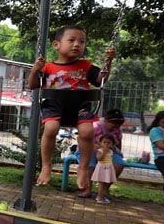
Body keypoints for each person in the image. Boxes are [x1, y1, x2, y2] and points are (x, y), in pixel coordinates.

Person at [28, 25, 116, 192]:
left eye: (81, 42)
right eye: (72, 40)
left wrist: (108, 61)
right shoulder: (47, 67)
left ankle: (83, 168)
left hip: (80, 105)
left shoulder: (86, 66)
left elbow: (100, 80)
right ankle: (46, 166)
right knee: (51, 128)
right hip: (54, 104)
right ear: (56, 45)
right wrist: (35, 70)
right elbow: (32, 85)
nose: (77, 44)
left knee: (87, 132)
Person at [74, 108, 126, 198]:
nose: (115, 128)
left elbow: (118, 145)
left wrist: (116, 152)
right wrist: (98, 148)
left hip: (107, 152)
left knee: (119, 164)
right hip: (88, 150)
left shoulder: (117, 129)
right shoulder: (96, 126)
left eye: (117, 126)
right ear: (106, 121)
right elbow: (82, 140)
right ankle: (87, 189)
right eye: (113, 126)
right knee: (90, 165)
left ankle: (105, 189)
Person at [91, 135, 118, 204]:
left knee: (105, 183)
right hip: (102, 168)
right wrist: (104, 153)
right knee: (101, 183)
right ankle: (100, 197)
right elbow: (98, 159)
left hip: (108, 168)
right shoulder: (100, 151)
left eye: (108, 143)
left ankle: (101, 196)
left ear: (112, 144)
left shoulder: (111, 151)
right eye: (104, 142)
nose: (106, 144)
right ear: (100, 143)